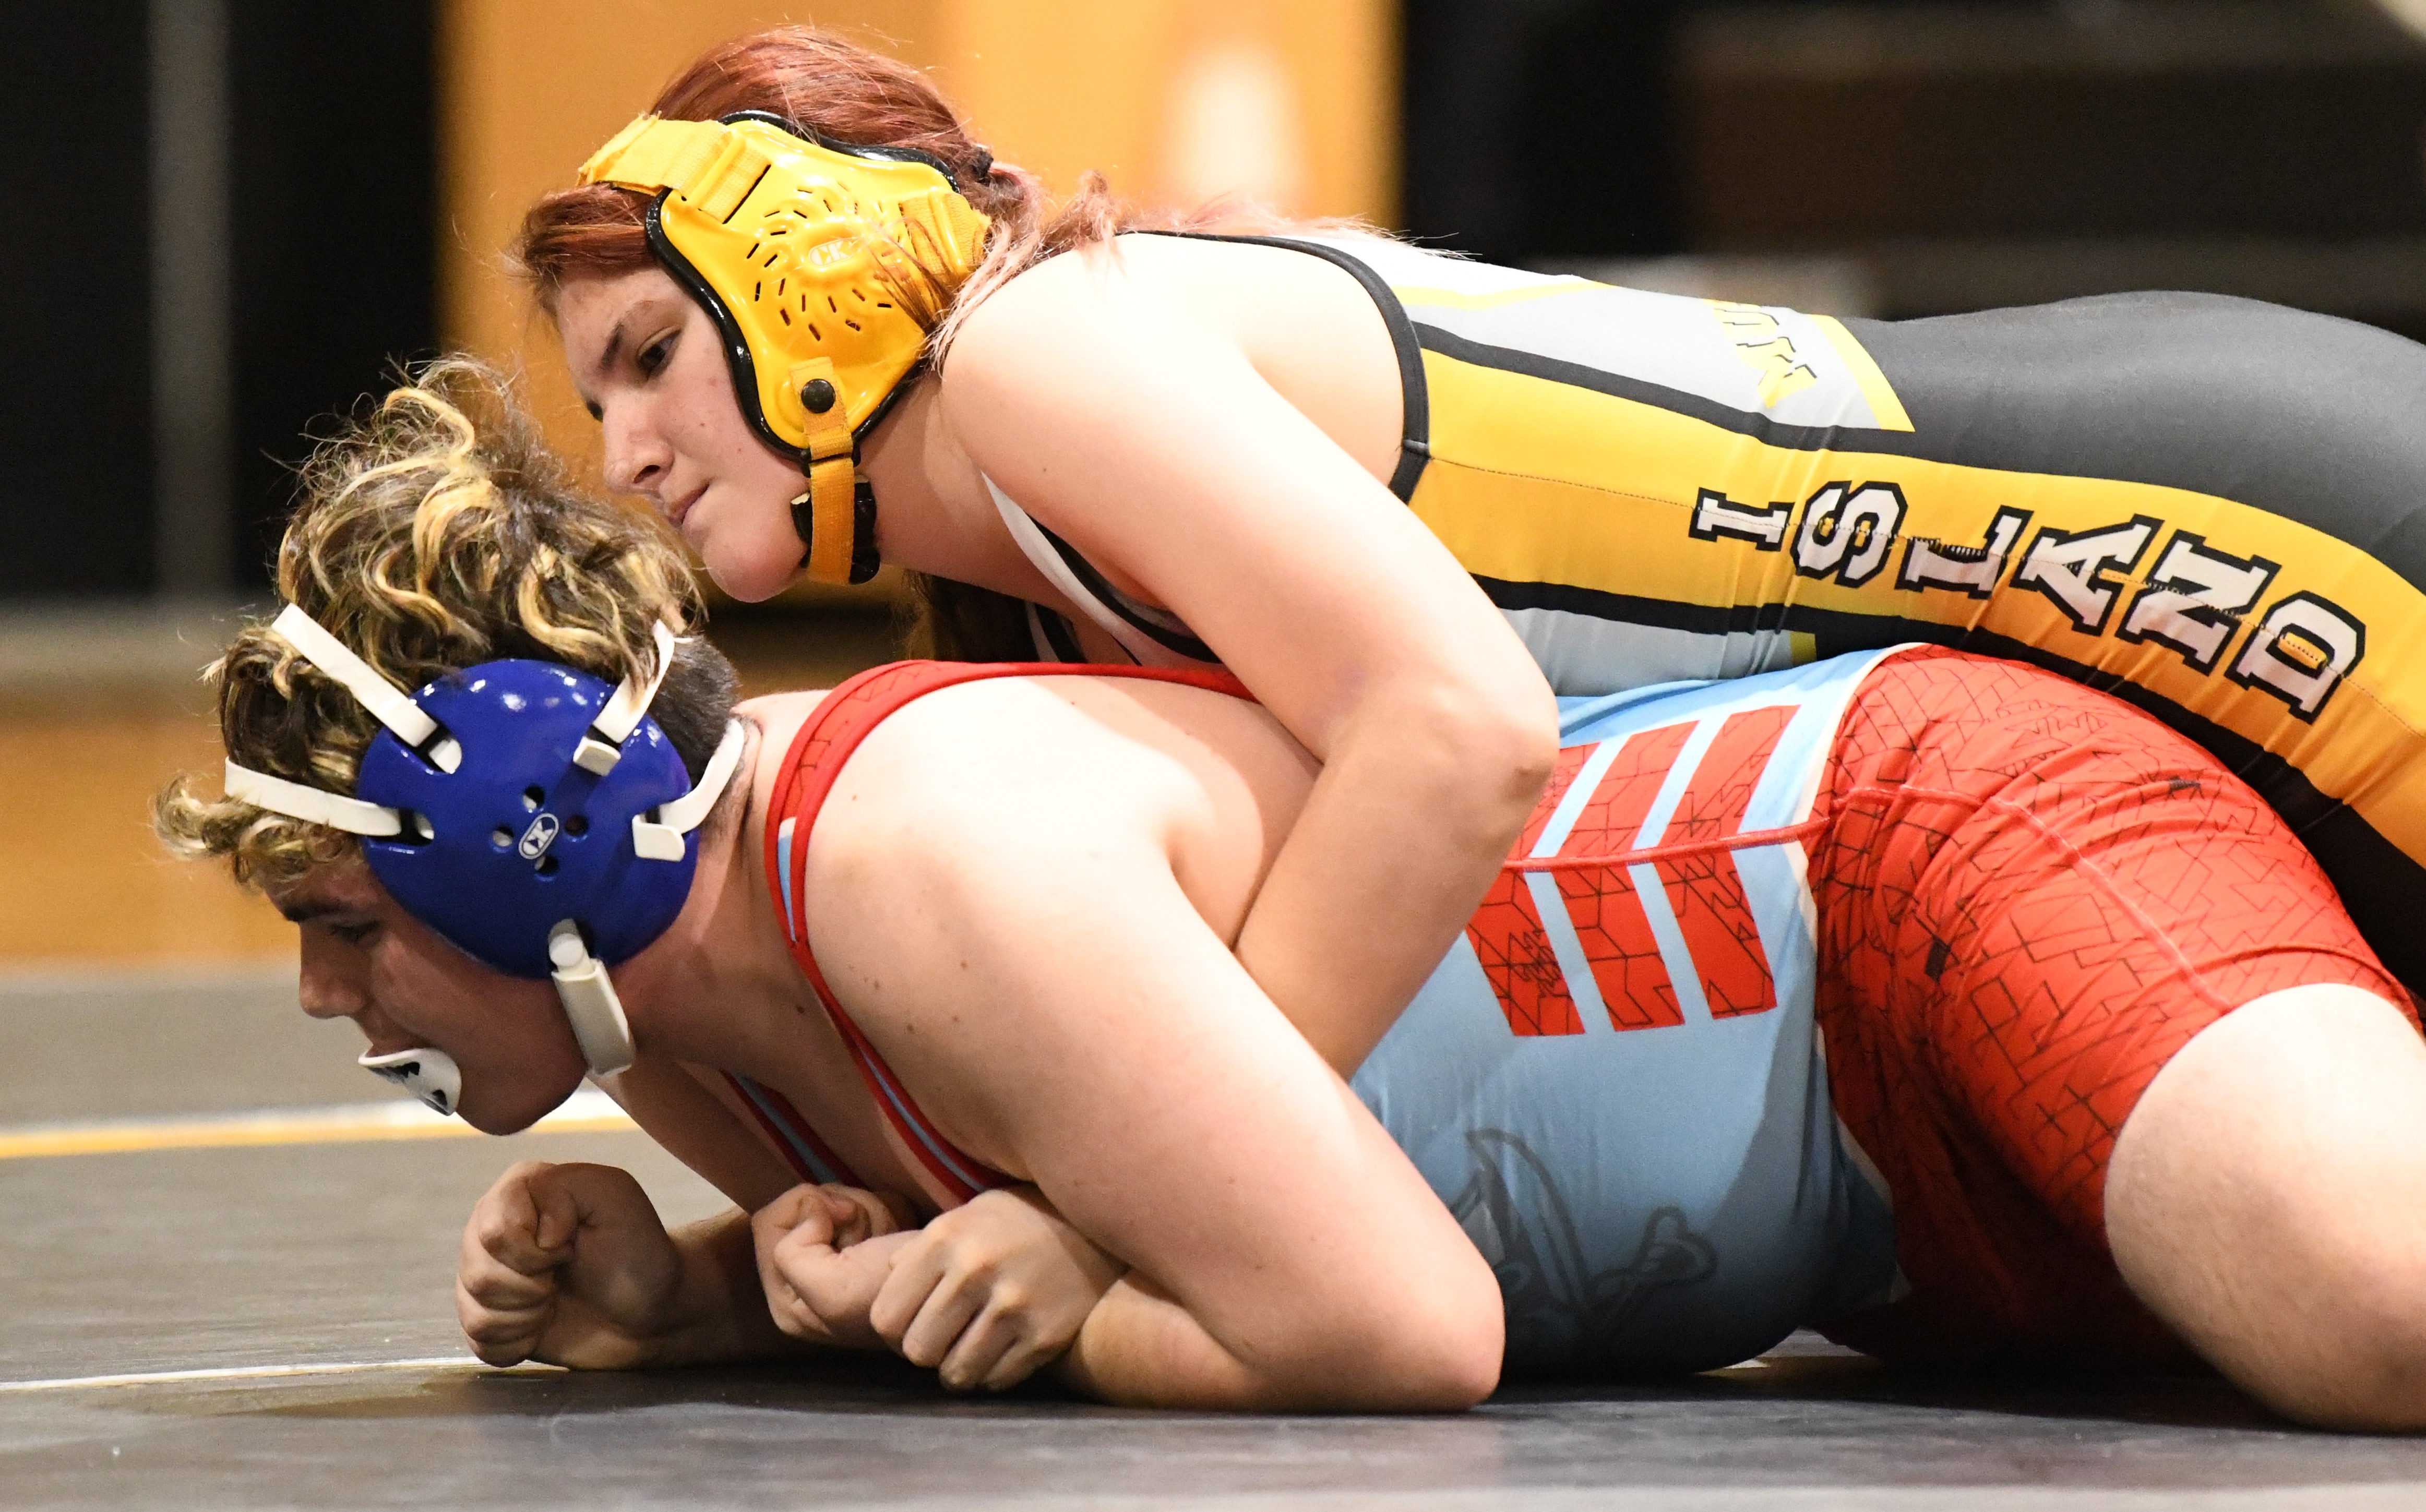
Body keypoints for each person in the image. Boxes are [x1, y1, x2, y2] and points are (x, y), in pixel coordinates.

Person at [163, 363, 2426, 1428]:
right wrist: (715, 1296)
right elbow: (1088, 1207)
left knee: (2386, 1316)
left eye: (342, 916)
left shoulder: (919, 855)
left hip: (1920, 865)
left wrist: (1081, 1296)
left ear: (527, 841)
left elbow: (1393, 1324)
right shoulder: (684, 1021)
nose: (323, 991)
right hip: (1879, 1231)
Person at [517, 28, 2426, 1079]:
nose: (623, 457)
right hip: (2171, 530)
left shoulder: (1038, 360)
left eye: (651, 356)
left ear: (810, 272)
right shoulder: (1035, 511)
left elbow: (1459, 728)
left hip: (2247, 539)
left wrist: (1174, 1198)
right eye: (596, 400)